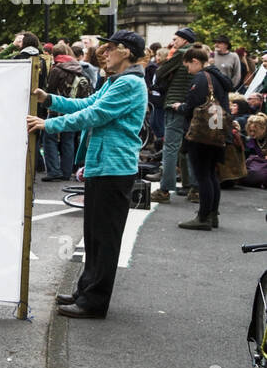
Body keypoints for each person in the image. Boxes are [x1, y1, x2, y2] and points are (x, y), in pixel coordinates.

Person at [27, 30, 148, 319]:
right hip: (103, 165)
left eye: (110, 49)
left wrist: (49, 125)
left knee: (104, 238)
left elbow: (94, 115)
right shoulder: (116, 81)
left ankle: (93, 301)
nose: (104, 53)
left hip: (114, 167)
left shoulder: (130, 83)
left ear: (126, 52)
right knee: (93, 235)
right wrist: (49, 100)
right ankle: (85, 290)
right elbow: (85, 105)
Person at [169, 45, 232, 230]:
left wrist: (179, 106)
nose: (188, 71)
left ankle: (203, 217)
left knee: (202, 174)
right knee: (211, 174)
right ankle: (213, 214)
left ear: (195, 61)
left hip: (201, 133)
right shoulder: (219, 77)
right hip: (217, 130)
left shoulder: (201, 77)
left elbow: (192, 105)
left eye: (188, 66)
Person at [151, 27, 198, 203]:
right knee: (190, 147)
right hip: (192, 104)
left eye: (176, 39)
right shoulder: (199, 53)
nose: (173, 43)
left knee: (170, 148)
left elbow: (159, 72)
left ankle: (164, 190)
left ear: (185, 40)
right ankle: (193, 188)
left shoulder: (180, 54)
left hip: (174, 103)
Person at [42, 43, 91, 181]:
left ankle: (53, 171)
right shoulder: (78, 67)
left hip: (57, 108)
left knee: (49, 138)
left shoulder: (57, 69)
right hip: (73, 108)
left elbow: (50, 90)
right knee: (68, 140)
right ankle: (66, 171)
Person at [240, 114, 267, 188]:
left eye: (255, 131)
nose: (252, 133)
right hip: (256, 167)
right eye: (250, 131)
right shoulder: (250, 140)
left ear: (264, 129)